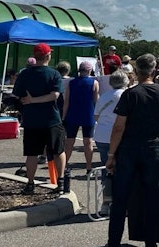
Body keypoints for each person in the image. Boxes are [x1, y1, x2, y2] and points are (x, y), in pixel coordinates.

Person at [104, 54, 159, 247]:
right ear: (154, 71)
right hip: (153, 147)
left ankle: (114, 244)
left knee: (121, 196)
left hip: (128, 148)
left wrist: (111, 153)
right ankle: (150, 244)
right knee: (152, 196)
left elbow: (119, 127)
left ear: (137, 71)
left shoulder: (130, 94)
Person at [12, 43, 67, 195]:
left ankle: (30, 183)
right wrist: (36, 100)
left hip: (31, 119)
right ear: (48, 56)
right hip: (51, 119)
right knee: (58, 150)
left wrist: (30, 100)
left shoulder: (24, 74)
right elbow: (55, 95)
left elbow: (18, 95)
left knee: (32, 153)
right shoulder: (54, 74)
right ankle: (60, 181)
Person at [93, 69, 128, 215]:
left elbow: (96, 115)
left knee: (106, 169)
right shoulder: (126, 96)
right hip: (118, 136)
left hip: (101, 136)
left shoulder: (105, 96)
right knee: (121, 170)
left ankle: (106, 203)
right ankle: (121, 203)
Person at [63, 60, 100, 175]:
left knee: (69, 142)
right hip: (88, 113)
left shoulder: (72, 83)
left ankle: (63, 166)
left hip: (73, 113)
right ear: (89, 70)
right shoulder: (94, 83)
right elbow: (96, 101)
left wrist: (63, 116)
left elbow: (67, 101)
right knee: (88, 141)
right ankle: (88, 168)